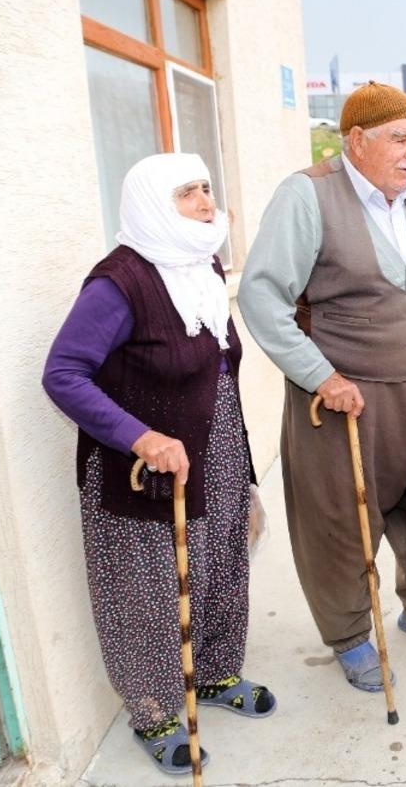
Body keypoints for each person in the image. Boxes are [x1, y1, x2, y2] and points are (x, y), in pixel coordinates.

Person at [43, 153, 275, 776]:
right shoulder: (118, 283)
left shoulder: (200, 263)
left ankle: (219, 670)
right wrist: (138, 436)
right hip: (143, 470)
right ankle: (153, 710)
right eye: (186, 194)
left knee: (223, 562)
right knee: (145, 593)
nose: (205, 201)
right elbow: (63, 373)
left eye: (205, 187)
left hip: (217, 450)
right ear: (150, 204)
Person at [237, 82, 406, 695]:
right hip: (343, 397)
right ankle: (350, 638)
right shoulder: (307, 195)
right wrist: (321, 376)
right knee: (340, 523)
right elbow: (261, 297)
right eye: (400, 139)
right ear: (357, 140)